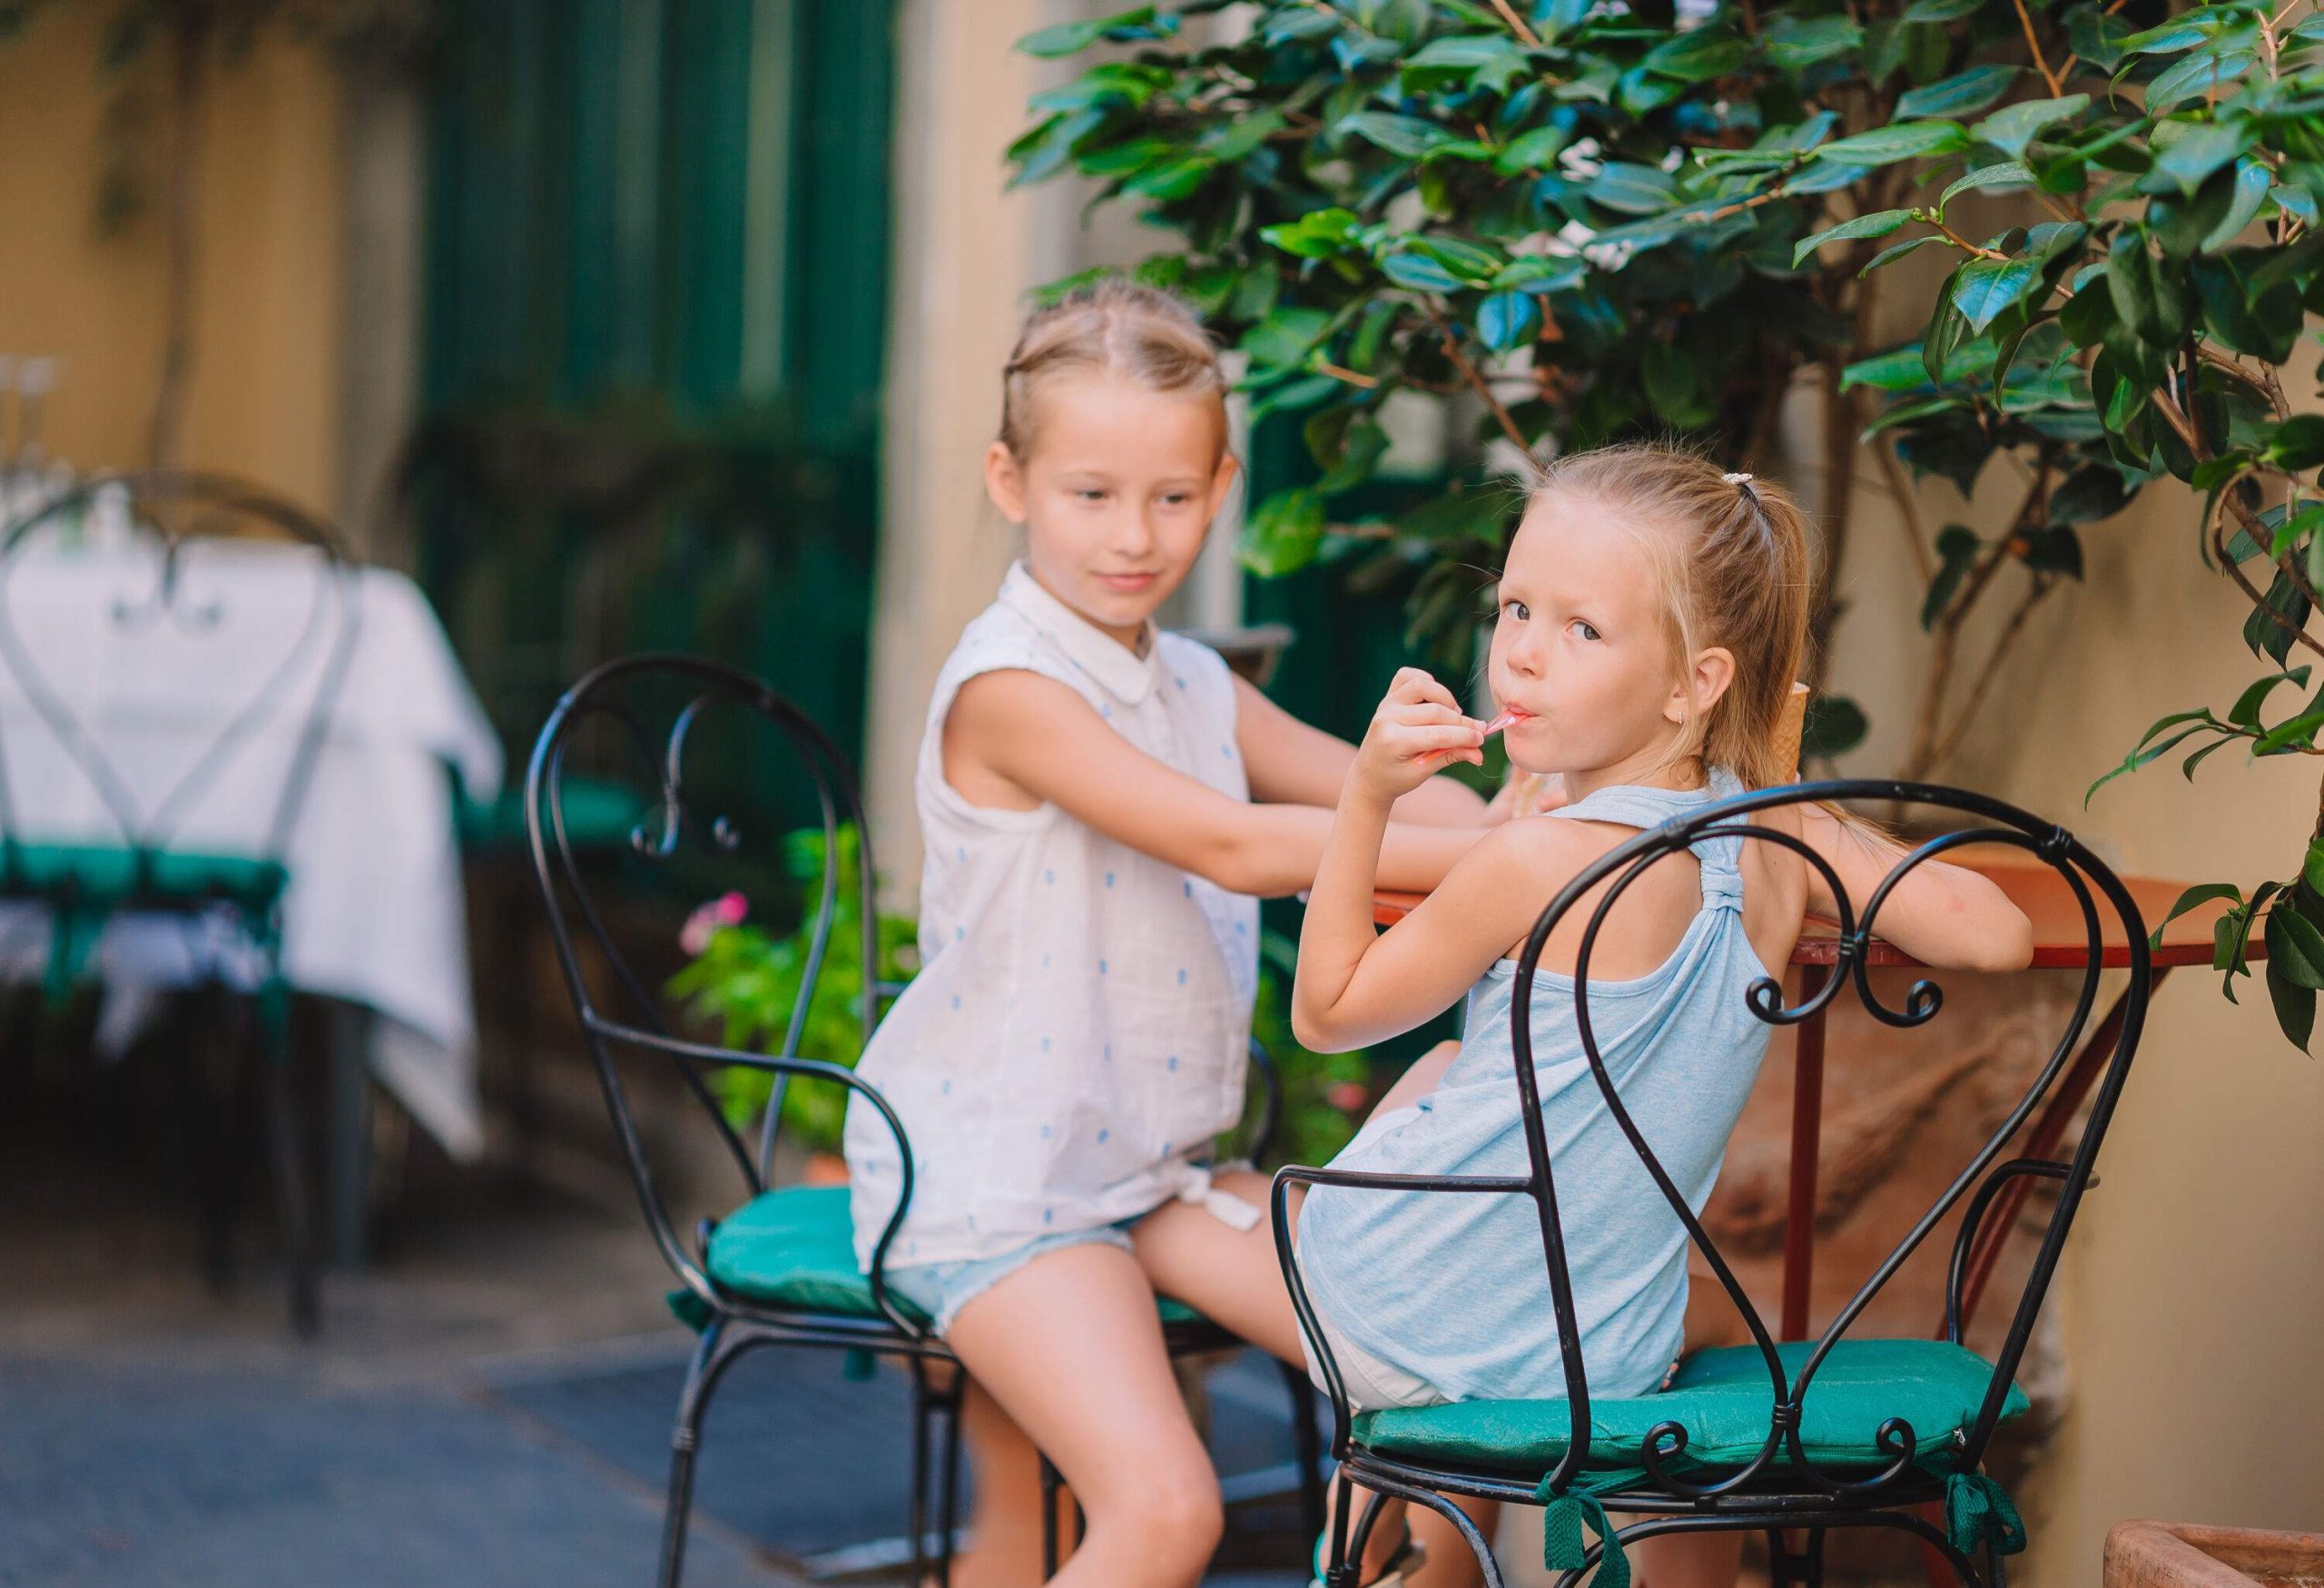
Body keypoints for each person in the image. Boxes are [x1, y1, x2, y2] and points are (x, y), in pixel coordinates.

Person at [1260, 444, 2036, 1586]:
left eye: (1582, 630)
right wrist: (1800, 806)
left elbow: (1326, 1013)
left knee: (1187, 1213)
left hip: (1420, 1315)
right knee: (1516, 1148)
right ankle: (1411, 1523)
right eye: (1517, 605)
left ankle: (1384, 1507)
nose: (1521, 649)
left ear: (1693, 683)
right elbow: (1996, 933)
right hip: (1605, 1347)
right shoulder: (1781, 844)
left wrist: (1366, 800)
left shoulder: (1536, 858)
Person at [842, 278, 1496, 1588]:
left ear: (1222, 484)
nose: (1135, 536)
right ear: (1008, 480)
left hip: (1144, 1168)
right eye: (1092, 494)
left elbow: (1400, 801)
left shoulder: (1192, 677)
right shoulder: (1012, 689)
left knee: (1442, 1364)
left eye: (1174, 498)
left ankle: (1382, 1539)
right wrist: (1511, 869)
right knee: (1162, 1512)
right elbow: (1231, 840)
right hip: (1000, 1186)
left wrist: (1549, 828)